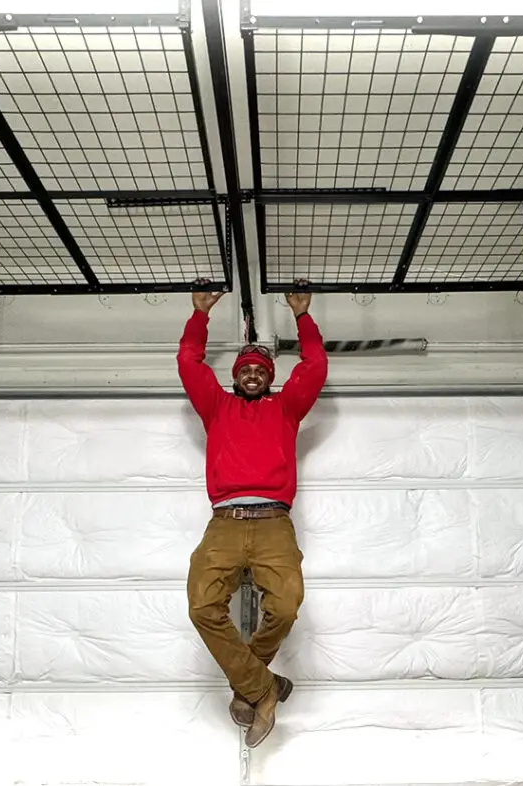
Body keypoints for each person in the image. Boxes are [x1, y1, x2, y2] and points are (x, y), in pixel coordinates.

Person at [177, 279, 328, 748]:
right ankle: (263, 689)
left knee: (285, 605)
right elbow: (189, 362)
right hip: (224, 522)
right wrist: (199, 315)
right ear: (235, 377)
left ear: (269, 377)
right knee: (202, 605)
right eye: (244, 369)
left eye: (260, 369)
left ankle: (253, 681)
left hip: (273, 523)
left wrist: (303, 317)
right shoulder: (216, 407)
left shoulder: (285, 408)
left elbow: (315, 365)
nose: (252, 374)